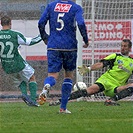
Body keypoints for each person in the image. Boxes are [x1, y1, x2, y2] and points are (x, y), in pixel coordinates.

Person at [38, 0, 89, 113]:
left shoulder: (51, 6)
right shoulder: (75, 7)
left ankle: (47, 85)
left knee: (52, 75)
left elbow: (41, 22)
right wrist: (85, 39)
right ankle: (63, 108)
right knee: (68, 76)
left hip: (53, 45)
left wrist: (45, 37)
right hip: (69, 46)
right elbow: (81, 23)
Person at [49, 39, 133, 106]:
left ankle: (111, 100)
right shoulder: (115, 56)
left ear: (129, 48)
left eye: (125, 46)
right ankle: (60, 101)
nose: (122, 48)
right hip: (106, 81)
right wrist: (88, 69)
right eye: (121, 46)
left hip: (117, 87)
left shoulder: (131, 62)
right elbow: (101, 64)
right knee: (88, 91)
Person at [0, 15, 42, 107]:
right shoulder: (15, 34)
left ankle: (24, 94)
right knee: (31, 76)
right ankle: (33, 100)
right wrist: (41, 36)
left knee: (20, 80)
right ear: (10, 23)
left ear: (1, 24)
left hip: (6, 64)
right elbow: (30, 42)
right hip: (17, 63)